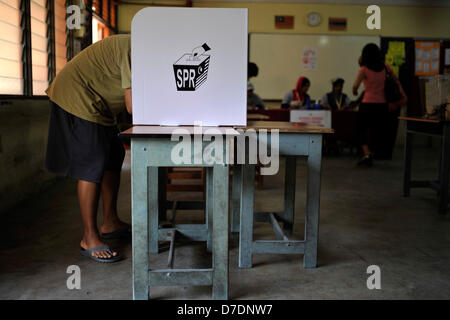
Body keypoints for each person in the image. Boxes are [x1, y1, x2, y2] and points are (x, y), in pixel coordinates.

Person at [45, 35, 133, 263]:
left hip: (99, 104)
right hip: (76, 95)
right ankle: (89, 237)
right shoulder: (135, 49)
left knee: (115, 154)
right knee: (92, 163)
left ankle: (110, 222)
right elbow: (133, 106)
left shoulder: (147, 52)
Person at [352, 43, 406, 167]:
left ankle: (367, 154)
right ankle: (371, 154)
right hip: (382, 106)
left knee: (359, 130)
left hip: (367, 105)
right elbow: (395, 81)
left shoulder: (364, 69)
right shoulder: (386, 67)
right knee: (377, 132)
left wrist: (355, 92)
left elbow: (355, 86)